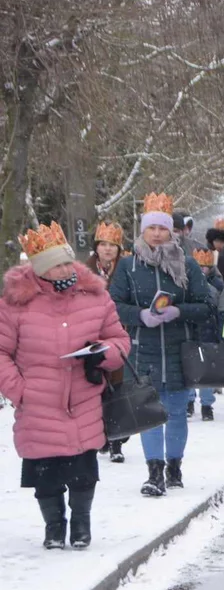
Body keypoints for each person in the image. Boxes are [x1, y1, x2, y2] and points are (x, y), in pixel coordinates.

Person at [0, 223, 131, 549]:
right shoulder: (15, 304)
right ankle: (54, 527)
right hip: (37, 401)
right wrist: (19, 390)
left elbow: (119, 340)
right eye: (57, 264)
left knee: (83, 469)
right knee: (45, 472)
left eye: (67, 261)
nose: (65, 269)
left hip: (84, 397)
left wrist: (103, 354)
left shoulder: (96, 297)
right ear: (41, 269)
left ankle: (81, 524)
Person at [109, 192, 213, 497]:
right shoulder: (128, 266)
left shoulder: (188, 265)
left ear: (172, 231)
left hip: (180, 349)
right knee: (149, 411)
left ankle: (174, 465)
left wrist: (179, 311)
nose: (157, 234)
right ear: (143, 230)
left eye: (163, 228)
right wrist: (140, 315)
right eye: (151, 228)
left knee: (177, 412)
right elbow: (113, 305)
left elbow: (205, 305)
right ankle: (154, 472)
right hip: (144, 349)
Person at [87, 221, 129, 462]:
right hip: (92, 333)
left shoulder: (125, 269)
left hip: (119, 332)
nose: (107, 249)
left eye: (112, 245)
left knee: (117, 387)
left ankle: (116, 439)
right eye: (103, 244)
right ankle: (99, 434)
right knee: (95, 388)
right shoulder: (85, 270)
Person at [188, 248, 224, 421]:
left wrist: (222, 334)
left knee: (206, 371)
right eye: (199, 266)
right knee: (189, 369)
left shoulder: (218, 285)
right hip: (190, 332)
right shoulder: (186, 282)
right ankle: (189, 401)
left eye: (205, 266)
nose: (202, 270)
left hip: (210, 332)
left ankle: (206, 404)